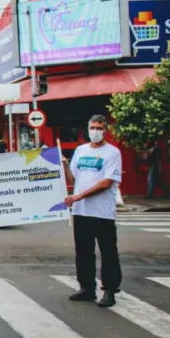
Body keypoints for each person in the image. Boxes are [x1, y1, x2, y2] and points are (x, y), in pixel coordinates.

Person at [62, 114, 123, 307]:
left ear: (106, 130)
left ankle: (110, 291)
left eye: (99, 128)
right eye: (93, 127)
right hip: (81, 212)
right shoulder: (80, 150)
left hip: (102, 212)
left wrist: (79, 196)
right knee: (83, 252)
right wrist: (64, 165)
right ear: (87, 129)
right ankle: (87, 288)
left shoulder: (113, 153)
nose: (95, 131)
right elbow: (74, 180)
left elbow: (107, 182)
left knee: (108, 252)